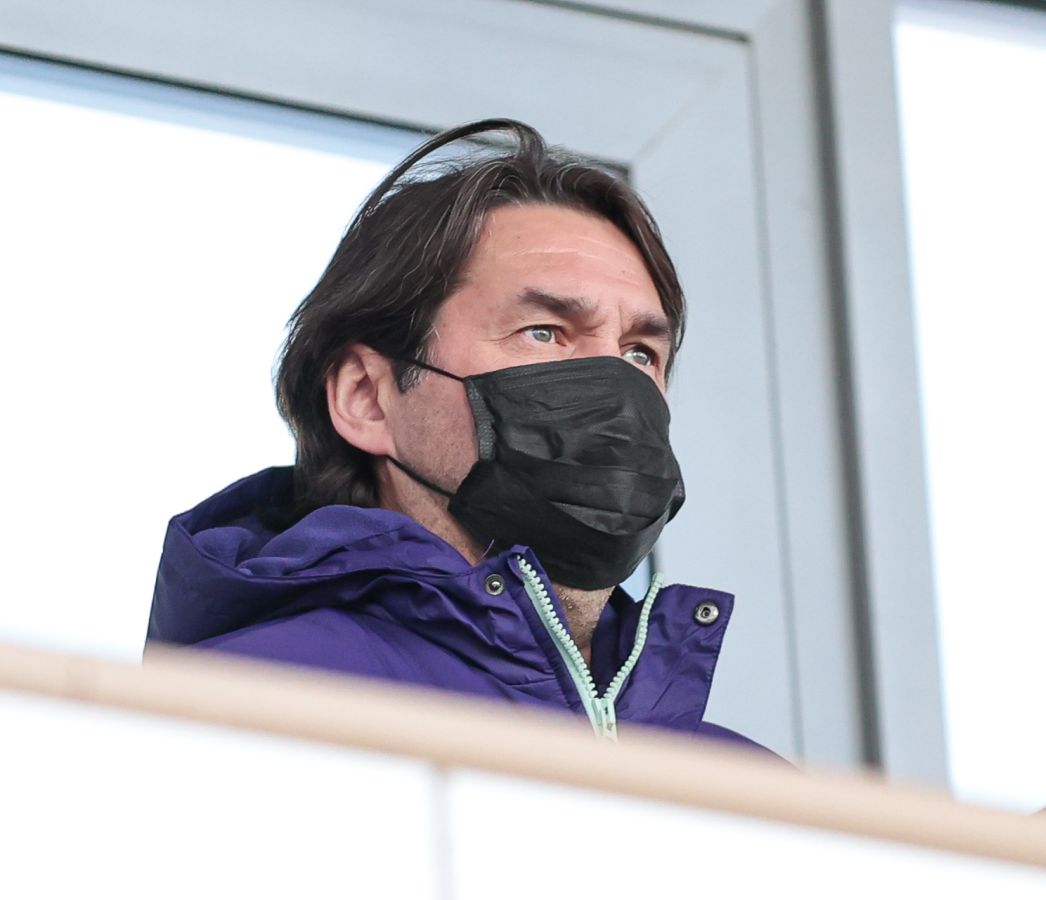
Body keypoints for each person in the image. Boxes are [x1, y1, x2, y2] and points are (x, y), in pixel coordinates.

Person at [147, 118, 758, 748]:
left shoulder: (746, 781)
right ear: (367, 398)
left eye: (639, 354)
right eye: (544, 333)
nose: (615, 388)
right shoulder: (246, 714)